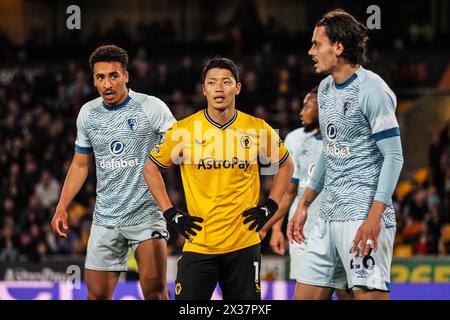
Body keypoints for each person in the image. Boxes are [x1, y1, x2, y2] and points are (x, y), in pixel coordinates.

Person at [144, 57, 293, 300]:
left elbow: (286, 166)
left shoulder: (257, 128)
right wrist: (171, 213)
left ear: (238, 87)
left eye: (226, 81)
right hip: (199, 244)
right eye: (212, 82)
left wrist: (270, 206)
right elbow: (150, 169)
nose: (219, 88)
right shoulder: (183, 130)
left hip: (244, 245)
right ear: (204, 89)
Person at [287, 9, 404, 300]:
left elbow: (394, 156)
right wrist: (305, 203)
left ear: (338, 48)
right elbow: (330, 150)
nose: (310, 51)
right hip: (327, 214)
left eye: (317, 44)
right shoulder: (325, 89)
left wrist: (374, 217)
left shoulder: (373, 89)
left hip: (362, 213)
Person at [51, 44, 175, 300]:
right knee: (96, 297)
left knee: (155, 293)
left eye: (113, 76)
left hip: (146, 214)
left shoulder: (152, 108)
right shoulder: (87, 113)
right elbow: (80, 164)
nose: (107, 84)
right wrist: (62, 204)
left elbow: (180, 148)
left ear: (126, 76)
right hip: (105, 218)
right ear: (93, 80)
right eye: (100, 77)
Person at [259, 88, 353, 300]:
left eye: (306, 106)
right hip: (303, 234)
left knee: (346, 293)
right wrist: (270, 227)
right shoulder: (297, 141)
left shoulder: (346, 141)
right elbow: (289, 192)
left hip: (338, 233)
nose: (301, 112)